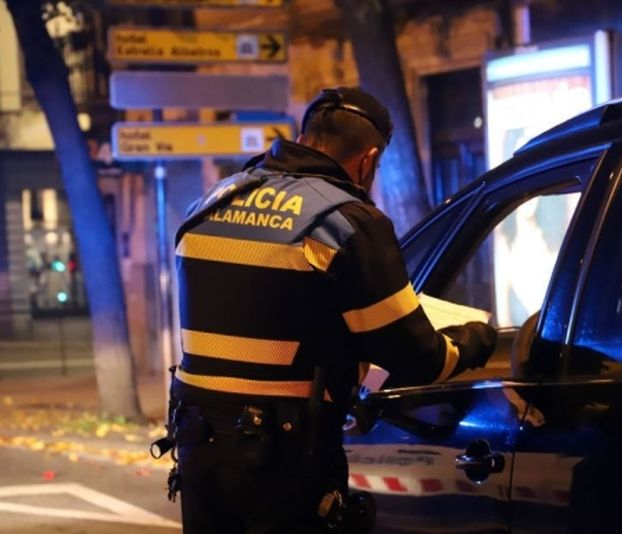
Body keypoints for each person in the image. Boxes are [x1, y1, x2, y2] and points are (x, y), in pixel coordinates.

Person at [169, 86, 497, 533]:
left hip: (198, 450)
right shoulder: (348, 224)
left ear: (307, 136)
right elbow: (421, 359)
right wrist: (476, 339)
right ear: (368, 159)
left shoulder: (211, 203)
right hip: (285, 464)